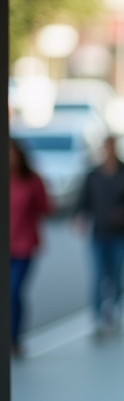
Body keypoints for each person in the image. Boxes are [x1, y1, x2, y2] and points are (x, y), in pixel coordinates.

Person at [77, 136, 124, 337]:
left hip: (120, 235)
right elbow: (83, 201)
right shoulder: (93, 175)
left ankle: (115, 314)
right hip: (99, 234)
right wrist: (80, 217)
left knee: (117, 276)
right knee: (98, 276)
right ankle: (97, 319)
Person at [9, 139, 52, 356]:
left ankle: (14, 338)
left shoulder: (31, 180)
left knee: (13, 291)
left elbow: (47, 207)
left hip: (24, 245)